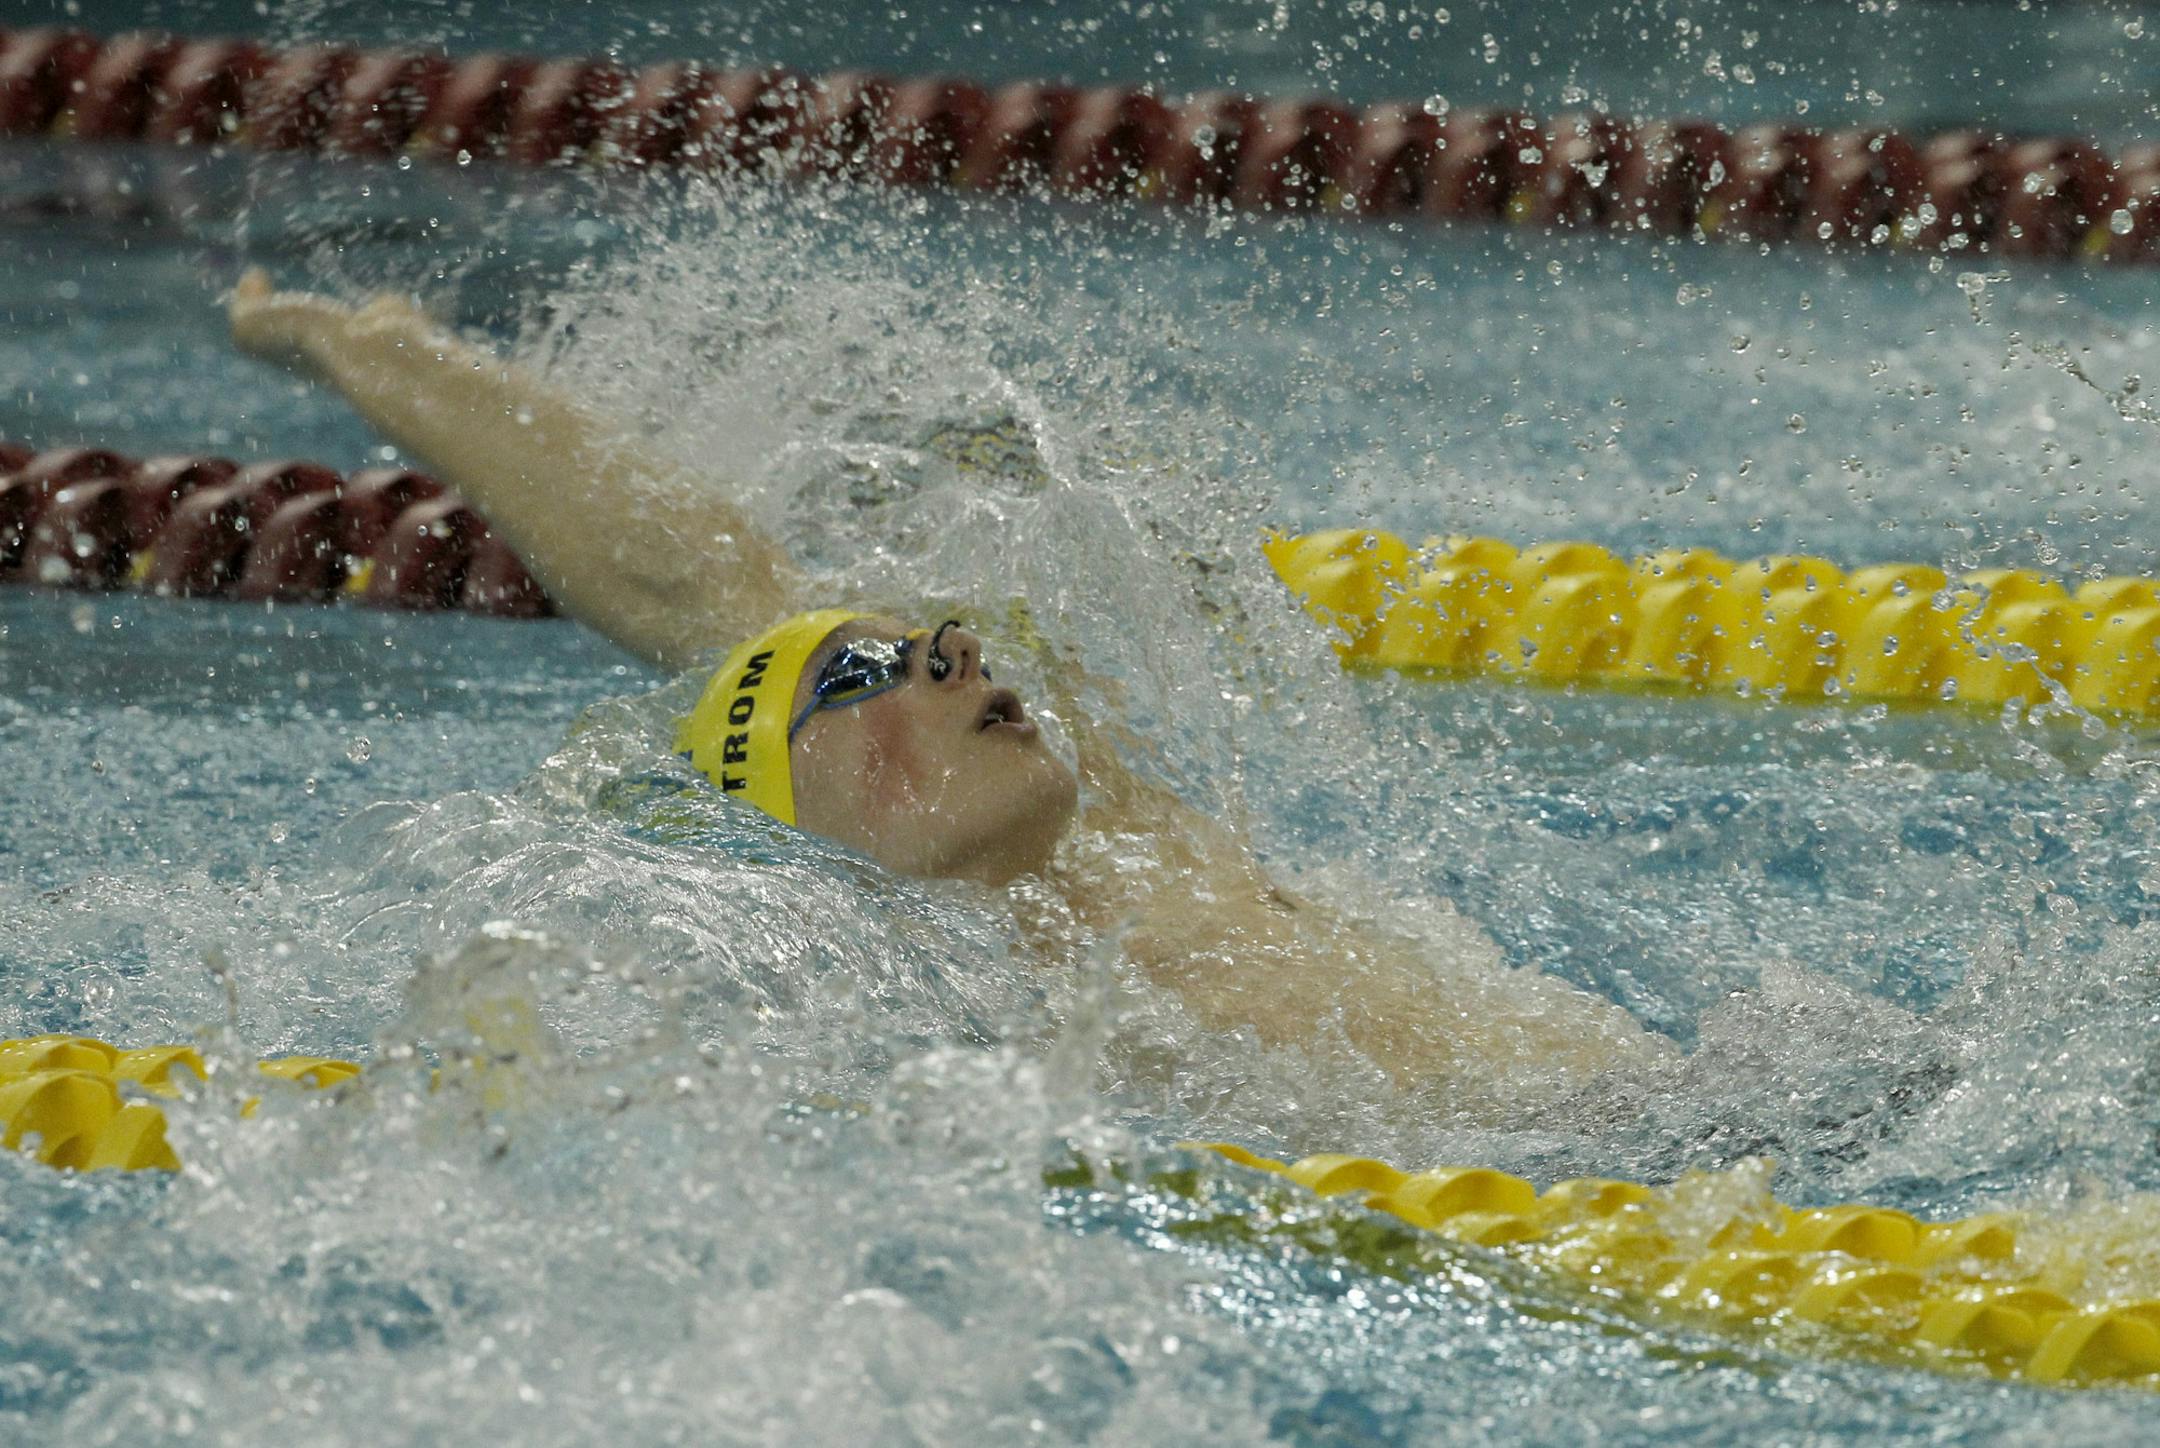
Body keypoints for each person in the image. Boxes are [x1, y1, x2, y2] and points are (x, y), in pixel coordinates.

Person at [227, 268, 1672, 1118]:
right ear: (810, 804)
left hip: (1686, 1105)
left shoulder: (1131, 836)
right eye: (868, 672)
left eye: (934, 643)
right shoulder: (948, 1031)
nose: (950, 654)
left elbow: (703, 577)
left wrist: (373, 347)